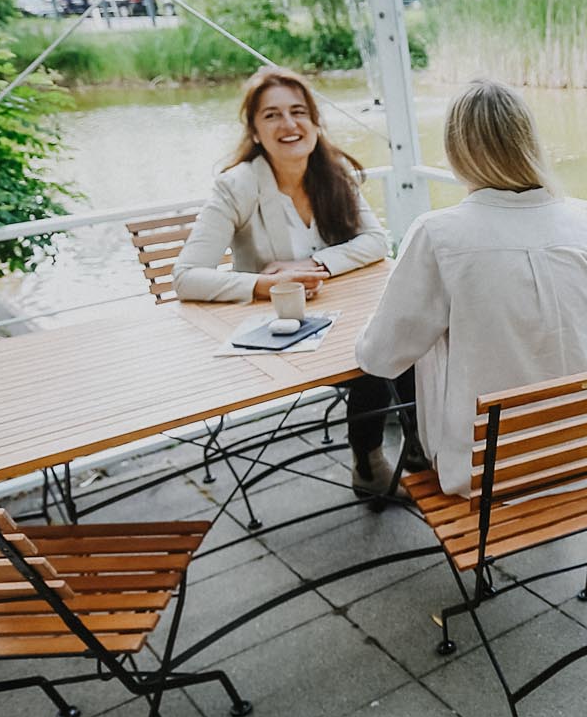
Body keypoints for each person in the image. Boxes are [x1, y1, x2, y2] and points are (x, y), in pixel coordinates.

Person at [355, 79, 587, 499]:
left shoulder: (439, 233)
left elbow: (380, 356)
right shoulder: (580, 222)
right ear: (528, 141)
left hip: (491, 470)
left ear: (456, 150)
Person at [172, 67, 413, 495]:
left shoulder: (332, 173)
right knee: (375, 351)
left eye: (299, 111)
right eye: (272, 115)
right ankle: (370, 459)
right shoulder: (237, 186)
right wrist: (263, 285)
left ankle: (419, 446)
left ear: (316, 122)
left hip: (339, 318)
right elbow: (186, 277)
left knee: (413, 332)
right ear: (254, 130)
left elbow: (376, 241)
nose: (289, 124)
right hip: (277, 333)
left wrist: (314, 267)